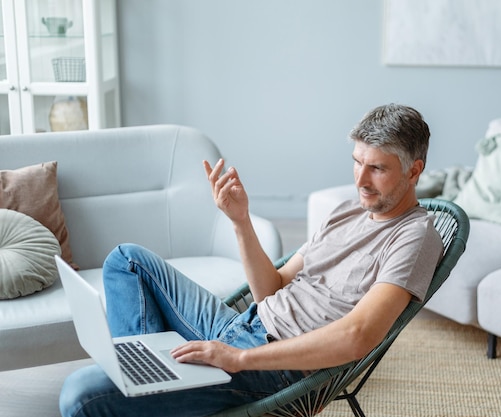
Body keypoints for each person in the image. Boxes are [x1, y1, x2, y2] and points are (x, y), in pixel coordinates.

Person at [59, 103, 443, 417]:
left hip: (276, 370)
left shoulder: (415, 236)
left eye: (377, 168)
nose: (361, 179)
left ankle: (154, 387)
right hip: (244, 326)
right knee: (127, 260)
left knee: (81, 396)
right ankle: (156, 383)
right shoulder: (347, 210)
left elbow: (358, 336)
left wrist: (239, 358)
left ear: (414, 171)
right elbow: (271, 290)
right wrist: (240, 220)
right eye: (357, 161)